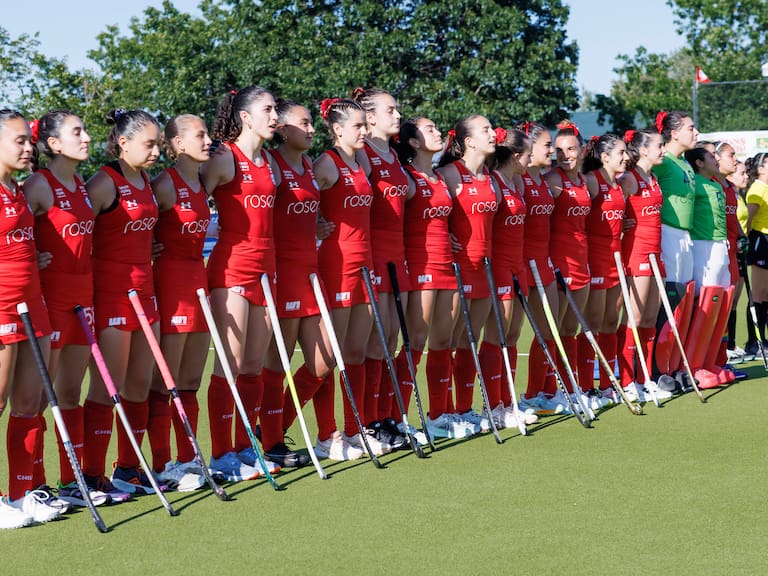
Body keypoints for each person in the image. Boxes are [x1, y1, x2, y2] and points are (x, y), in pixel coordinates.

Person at [25, 110, 108, 508]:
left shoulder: (81, 184)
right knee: (39, 400)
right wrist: (30, 257)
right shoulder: (38, 185)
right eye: (78, 132)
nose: (87, 137)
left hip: (83, 299)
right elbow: (13, 233)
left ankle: (72, 481)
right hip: (50, 301)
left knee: (70, 393)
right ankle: (33, 486)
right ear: (54, 144)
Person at [201, 86, 282, 479]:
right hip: (232, 268)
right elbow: (189, 203)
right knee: (229, 365)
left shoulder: (271, 162)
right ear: (245, 116)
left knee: (253, 366)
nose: (275, 116)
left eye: (276, 109)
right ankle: (221, 455)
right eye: (267, 109)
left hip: (267, 269)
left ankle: (246, 447)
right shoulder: (223, 158)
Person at [83, 108, 163, 497]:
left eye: (158, 145)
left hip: (145, 292)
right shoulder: (103, 182)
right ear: (123, 142)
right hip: (112, 294)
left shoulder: (146, 180)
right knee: (106, 388)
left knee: (139, 385)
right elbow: (75, 233)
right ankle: (91, 474)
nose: (156, 152)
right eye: (149, 145)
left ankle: (128, 469)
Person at [261, 98, 334, 466]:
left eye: (310, 123)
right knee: (277, 364)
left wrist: (317, 226)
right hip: (284, 274)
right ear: (282, 129)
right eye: (303, 123)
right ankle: (271, 442)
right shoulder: (272, 164)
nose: (310, 129)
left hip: (311, 271)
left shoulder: (308, 164)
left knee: (325, 359)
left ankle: (273, 426)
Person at [0, 109, 62, 528]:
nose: (28, 147)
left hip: (32, 303)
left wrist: (30, 259)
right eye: (19, 140)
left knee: (28, 403)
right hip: (3, 305)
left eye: (29, 140)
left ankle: (22, 494)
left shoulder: (18, 190)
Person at [145, 114, 212, 491]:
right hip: (170, 282)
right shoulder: (164, 184)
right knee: (163, 382)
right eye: (200, 135)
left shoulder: (202, 180)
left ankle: (189, 459)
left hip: (198, 279)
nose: (207, 141)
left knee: (189, 381)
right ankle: (161, 464)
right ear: (179, 144)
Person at [313, 97, 382, 458]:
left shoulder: (362, 160)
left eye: (366, 125)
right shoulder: (327, 162)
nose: (364, 131)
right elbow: (296, 197)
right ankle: (327, 435)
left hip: (365, 264)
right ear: (338, 129)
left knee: (355, 351)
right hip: (337, 264)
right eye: (358, 126)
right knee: (331, 355)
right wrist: (314, 224)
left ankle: (356, 430)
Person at [352, 87, 410, 447]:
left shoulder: (394, 156)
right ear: (369, 117)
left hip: (397, 256)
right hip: (371, 256)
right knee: (374, 343)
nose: (398, 115)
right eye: (391, 110)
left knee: (390, 339)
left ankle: (386, 416)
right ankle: (367, 421)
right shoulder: (364, 154)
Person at [437, 114, 499, 432]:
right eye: (485, 130)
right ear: (469, 141)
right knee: (448, 341)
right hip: (458, 267)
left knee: (468, 343)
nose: (493, 133)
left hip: (485, 267)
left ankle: (463, 408)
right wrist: (442, 233)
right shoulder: (449, 174)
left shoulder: (490, 176)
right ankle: (441, 412)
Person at [479, 127, 539, 427]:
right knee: (497, 337)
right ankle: (492, 406)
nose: (531, 160)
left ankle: (508, 402)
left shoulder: (517, 183)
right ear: (516, 157)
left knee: (513, 336)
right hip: (499, 265)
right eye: (528, 155)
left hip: (518, 266)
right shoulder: (494, 183)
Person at [546, 121, 605, 411]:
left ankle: (571, 389)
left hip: (582, 260)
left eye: (570, 149)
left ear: (581, 151)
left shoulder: (585, 181)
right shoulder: (552, 180)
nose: (564, 155)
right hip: (559, 261)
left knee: (571, 329)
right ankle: (545, 391)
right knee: (553, 330)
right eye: (559, 150)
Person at [617, 129, 667, 398]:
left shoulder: (654, 178)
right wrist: (621, 224)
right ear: (644, 150)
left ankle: (645, 378)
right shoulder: (629, 178)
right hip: (636, 252)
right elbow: (612, 208)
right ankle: (627, 381)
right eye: (659, 146)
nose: (663, 150)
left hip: (656, 252)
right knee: (634, 318)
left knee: (650, 318)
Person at [514, 122, 560, 413]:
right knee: (512, 334)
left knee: (549, 330)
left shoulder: (545, 180)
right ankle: (519, 398)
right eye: (547, 145)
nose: (551, 150)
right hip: (521, 263)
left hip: (544, 263)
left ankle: (541, 393)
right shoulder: (519, 181)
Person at [682, 145, 734, 388]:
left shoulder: (716, 185)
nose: (716, 159)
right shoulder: (694, 184)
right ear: (699, 163)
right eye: (711, 157)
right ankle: (693, 366)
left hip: (720, 246)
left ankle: (711, 361)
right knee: (704, 303)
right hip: (703, 245)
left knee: (722, 303)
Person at [653, 111, 699, 305]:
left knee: (684, 295)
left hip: (685, 235)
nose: (696, 133)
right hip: (667, 233)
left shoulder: (685, 162)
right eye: (691, 128)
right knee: (670, 293)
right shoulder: (663, 160)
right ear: (674, 134)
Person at [744, 153, 768, 348]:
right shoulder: (757, 189)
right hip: (760, 240)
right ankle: (754, 341)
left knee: (765, 293)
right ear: (760, 169)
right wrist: (746, 241)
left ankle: (762, 339)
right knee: (758, 293)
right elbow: (748, 219)